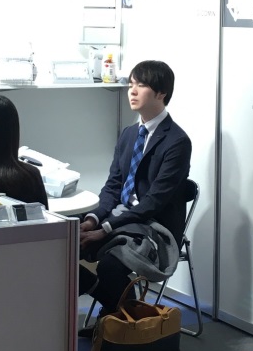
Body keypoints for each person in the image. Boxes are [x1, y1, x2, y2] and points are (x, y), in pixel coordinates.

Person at [80, 60, 191, 318]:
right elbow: (113, 185)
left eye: (141, 85)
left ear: (161, 93)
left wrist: (105, 228)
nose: (132, 91)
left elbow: (154, 202)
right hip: (123, 218)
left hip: (154, 226)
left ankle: (120, 322)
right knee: (64, 242)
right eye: (131, 84)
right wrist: (93, 219)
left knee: (110, 266)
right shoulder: (129, 134)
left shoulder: (177, 141)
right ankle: (116, 317)